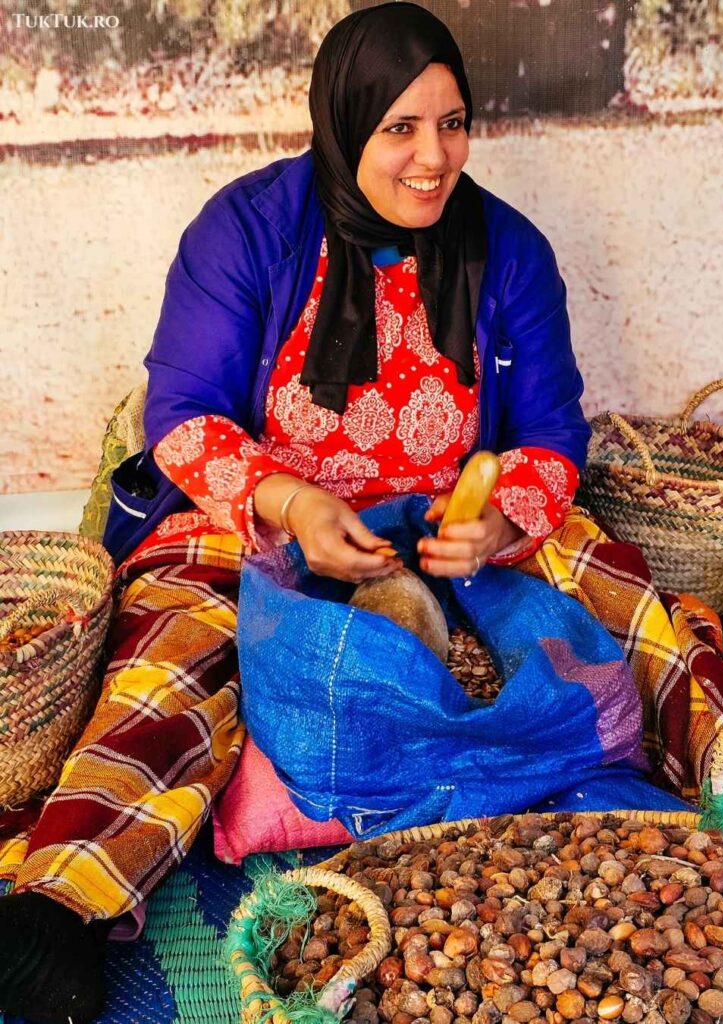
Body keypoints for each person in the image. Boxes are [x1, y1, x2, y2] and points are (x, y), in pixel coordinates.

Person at [0, 4, 589, 1021]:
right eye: (399, 128)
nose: (432, 158)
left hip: (443, 529)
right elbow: (179, 416)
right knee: (177, 645)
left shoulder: (510, 249)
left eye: (452, 124)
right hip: (267, 517)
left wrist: (498, 525)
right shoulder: (249, 230)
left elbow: (550, 431)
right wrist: (292, 498)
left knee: (611, 590)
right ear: (343, 119)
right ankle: (67, 901)